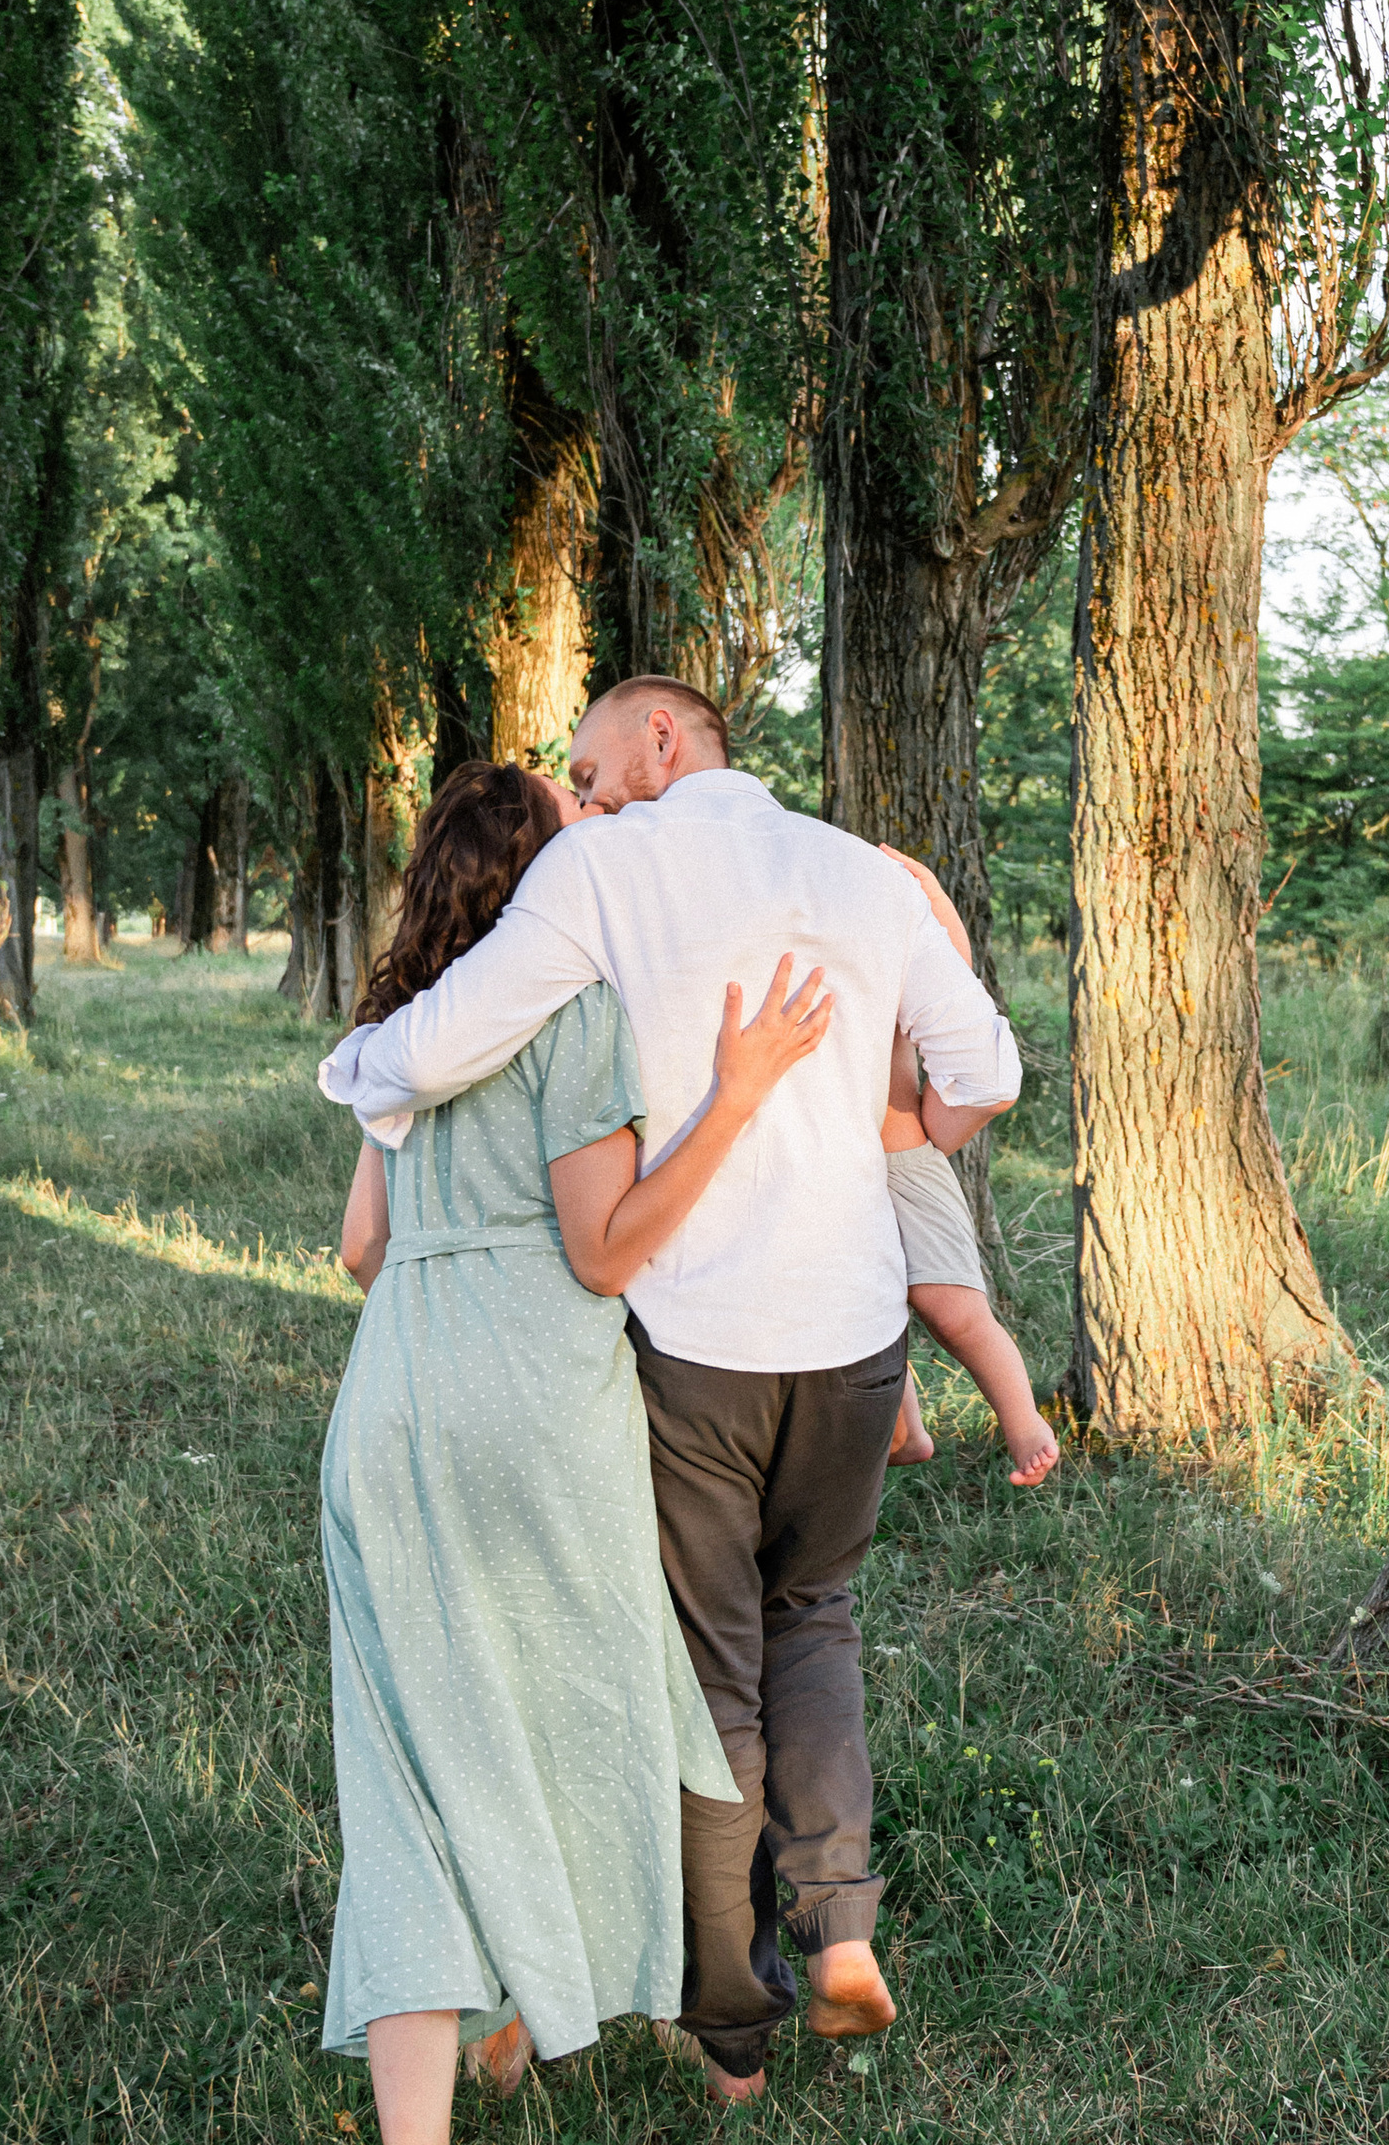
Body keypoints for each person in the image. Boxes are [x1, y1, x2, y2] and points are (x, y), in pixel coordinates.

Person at [320, 677, 1020, 2105]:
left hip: (649, 1349)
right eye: (568, 784)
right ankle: (833, 1934)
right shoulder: (855, 870)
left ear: (662, 737)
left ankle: (723, 2036)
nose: (590, 793)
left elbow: (433, 1080)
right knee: (804, 1624)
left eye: (596, 761)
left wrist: (361, 1064)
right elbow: (984, 1075)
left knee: (689, 1678)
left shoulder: (594, 877)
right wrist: (894, 1130)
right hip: (840, 1337)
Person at [315, 760, 833, 2145]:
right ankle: (606, 1993)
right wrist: (734, 1096)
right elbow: (603, 1252)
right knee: (577, 1719)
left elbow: (361, 1249)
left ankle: (447, 2083)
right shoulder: (576, 1013)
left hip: (391, 1405)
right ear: (554, 877)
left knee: (414, 1766)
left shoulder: (403, 1029)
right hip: (540, 1400)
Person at [869, 855, 1058, 1489]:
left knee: (952, 1309)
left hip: (903, 1161)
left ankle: (1023, 1421)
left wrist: (929, 888)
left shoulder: (891, 957)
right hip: (829, 1169)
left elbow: (955, 972)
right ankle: (906, 1430)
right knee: (864, 1306)